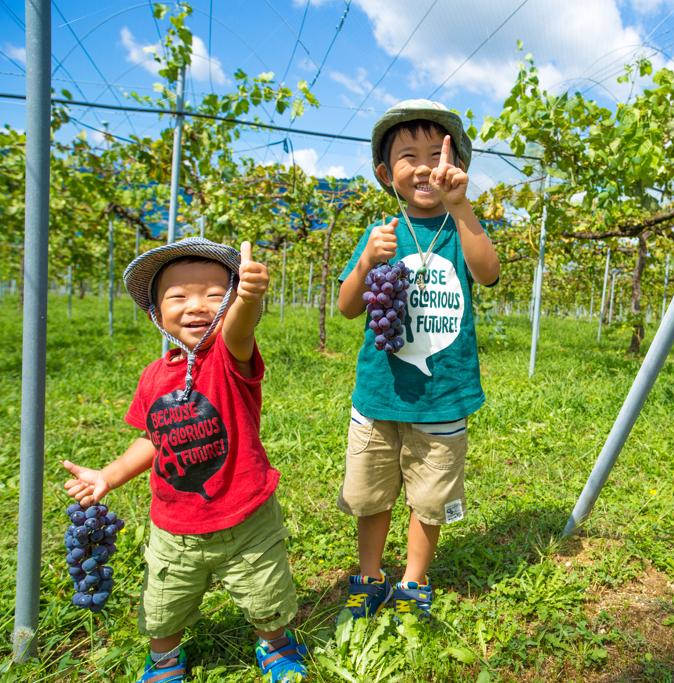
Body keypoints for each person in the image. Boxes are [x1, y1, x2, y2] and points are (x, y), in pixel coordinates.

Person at [61, 238, 308, 683]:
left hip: (246, 520)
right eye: (178, 296)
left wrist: (248, 300)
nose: (197, 305)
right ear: (157, 312)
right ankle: (164, 659)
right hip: (174, 528)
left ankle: (275, 645)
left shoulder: (229, 359)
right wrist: (108, 476)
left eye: (216, 295)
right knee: (162, 605)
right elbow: (152, 438)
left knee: (266, 594)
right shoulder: (154, 376)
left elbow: (239, 329)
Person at [335, 99, 500, 622]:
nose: (425, 165)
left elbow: (489, 272)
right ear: (387, 173)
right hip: (379, 395)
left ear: (458, 167)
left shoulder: (460, 229)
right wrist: (366, 261)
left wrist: (462, 207)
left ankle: (413, 580)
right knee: (371, 494)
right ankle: (369, 574)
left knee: (430, 500)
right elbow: (346, 308)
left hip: (442, 397)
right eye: (410, 156)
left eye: (438, 153)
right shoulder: (380, 233)